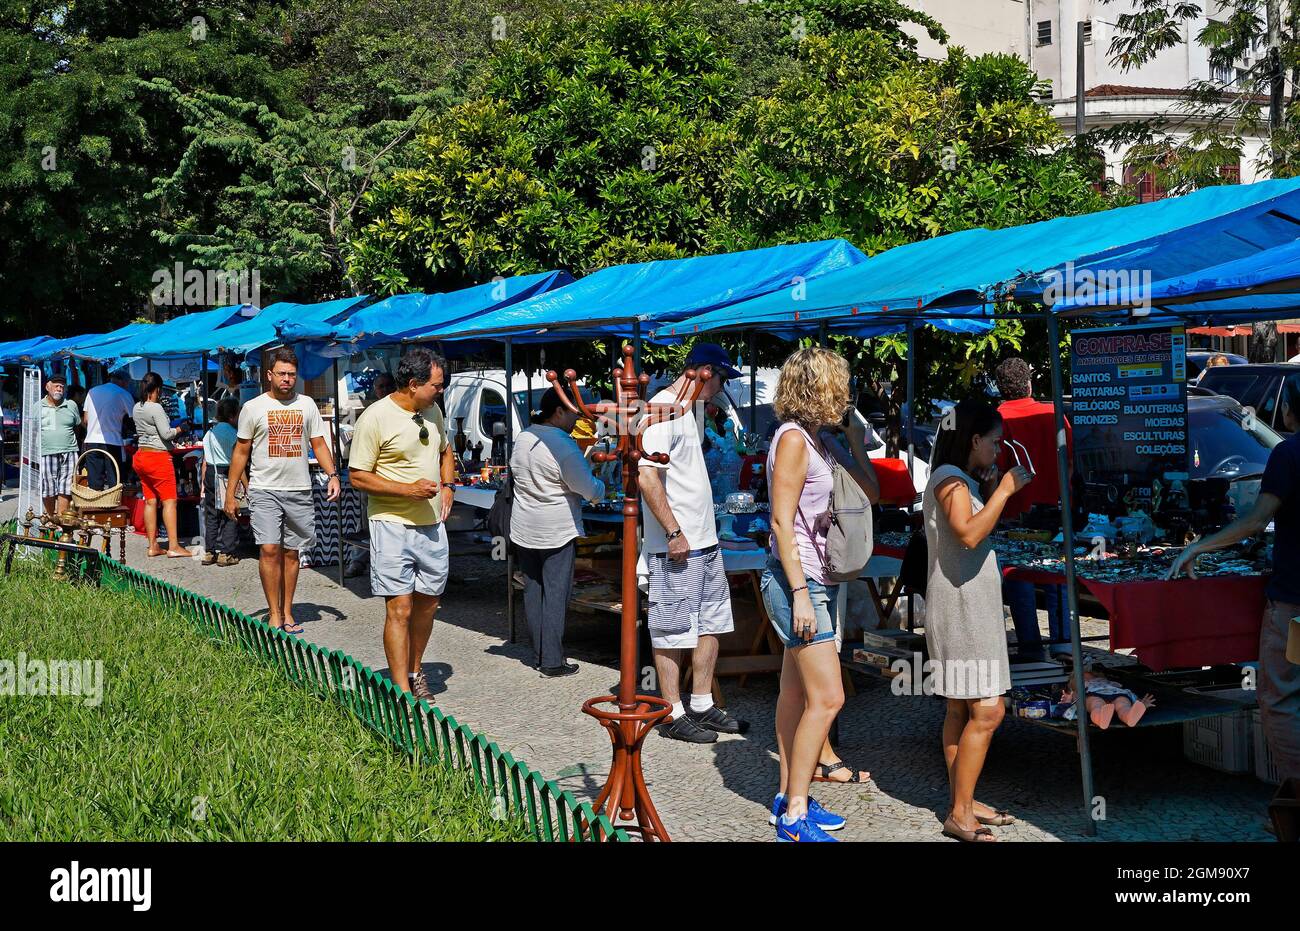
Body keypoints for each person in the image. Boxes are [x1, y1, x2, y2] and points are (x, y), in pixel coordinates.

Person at [762, 347, 880, 842]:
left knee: (794, 695)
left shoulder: (817, 440)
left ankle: (789, 796)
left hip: (814, 581)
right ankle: (794, 815)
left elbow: (871, 492)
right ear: (817, 387)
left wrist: (855, 439)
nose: (845, 394)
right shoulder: (792, 441)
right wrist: (801, 594)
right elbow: (779, 523)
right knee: (828, 698)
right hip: (799, 582)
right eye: (839, 384)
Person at [1169, 377, 1300, 783]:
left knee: (1280, 698)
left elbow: (1257, 520)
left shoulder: (1288, 453)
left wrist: (1197, 547)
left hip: (1294, 602)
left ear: (1289, 412)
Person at [925, 396, 1031, 842]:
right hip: (963, 609)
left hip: (962, 605)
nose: (998, 449)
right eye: (994, 441)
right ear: (972, 439)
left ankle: (962, 803)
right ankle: (960, 813)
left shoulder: (955, 478)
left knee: (961, 707)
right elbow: (968, 534)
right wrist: (1004, 490)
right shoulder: (949, 479)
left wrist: (987, 488)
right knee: (988, 709)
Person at [640, 343, 747, 743]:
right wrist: (672, 532)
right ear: (702, 372)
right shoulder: (661, 410)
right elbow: (647, 477)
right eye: (720, 378)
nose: (720, 387)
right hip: (677, 542)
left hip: (703, 539)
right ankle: (670, 711)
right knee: (672, 627)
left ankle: (701, 701)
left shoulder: (687, 411)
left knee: (711, 620)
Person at [348, 348, 455, 701]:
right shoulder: (375, 418)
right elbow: (358, 477)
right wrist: (407, 490)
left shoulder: (433, 411)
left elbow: (445, 452)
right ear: (413, 384)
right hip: (391, 524)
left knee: (429, 602)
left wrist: (449, 485)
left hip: (431, 524)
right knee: (400, 607)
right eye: (437, 386)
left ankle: (414, 668)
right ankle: (401, 689)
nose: (441, 390)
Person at [224, 347, 339, 634]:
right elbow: (241, 451)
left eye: (291, 374)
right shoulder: (253, 407)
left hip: (299, 488)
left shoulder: (307, 405)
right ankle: (274, 613)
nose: (287, 379)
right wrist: (230, 491)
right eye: (282, 374)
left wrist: (332, 474)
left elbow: (319, 444)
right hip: (264, 489)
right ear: (269, 375)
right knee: (269, 548)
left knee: (292, 553)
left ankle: (288, 610)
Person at [509, 387, 606, 677]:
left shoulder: (524, 436)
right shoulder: (562, 443)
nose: (578, 419)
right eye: (574, 412)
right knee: (555, 593)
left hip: (524, 525)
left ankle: (540, 653)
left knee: (534, 590)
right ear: (559, 411)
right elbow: (588, 488)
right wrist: (600, 487)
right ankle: (551, 661)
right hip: (555, 529)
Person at [993, 357, 1072, 659]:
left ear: (1000, 388)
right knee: (1057, 578)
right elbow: (1071, 461)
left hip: (1016, 512)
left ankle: (1031, 647)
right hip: (1057, 509)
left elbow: (996, 470)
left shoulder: (997, 420)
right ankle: (1064, 644)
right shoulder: (1054, 413)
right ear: (1029, 383)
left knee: (1020, 578)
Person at [133, 371, 193, 558]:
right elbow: (166, 434)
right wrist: (180, 428)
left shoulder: (137, 407)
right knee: (169, 501)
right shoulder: (156, 407)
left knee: (150, 501)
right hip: (158, 458)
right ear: (157, 388)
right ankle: (174, 546)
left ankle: (153, 545)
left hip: (141, 455)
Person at [201, 397, 241, 567]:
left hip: (210, 473)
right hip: (227, 472)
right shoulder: (233, 434)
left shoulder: (209, 433)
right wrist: (244, 482)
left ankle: (209, 552)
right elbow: (237, 461)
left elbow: (205, 461)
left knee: (211, 514)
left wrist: (202, 483)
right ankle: (226, 552)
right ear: (232, 416)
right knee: (230, 513)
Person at [81, 368, 135, 492]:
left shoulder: (92, 391)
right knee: (114, 482)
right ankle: (113, 509)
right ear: (124, 382)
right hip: (113, 442)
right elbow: (134, 419)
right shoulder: (123, 393)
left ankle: (95, 509)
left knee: (94, 483)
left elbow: (86, 419)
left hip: (92, 441)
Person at [39, 373, 80, 517]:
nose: (59, 389)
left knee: (66, 487)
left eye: (62, 386)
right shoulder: (38, 406)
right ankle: (50, 518)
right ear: (47, 387)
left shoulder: (71, 405)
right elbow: (31, 429)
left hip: (70, 451)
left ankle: (61, 520)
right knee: (48, 486)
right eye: (56, 385)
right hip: (47, 451)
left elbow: (77, 426)